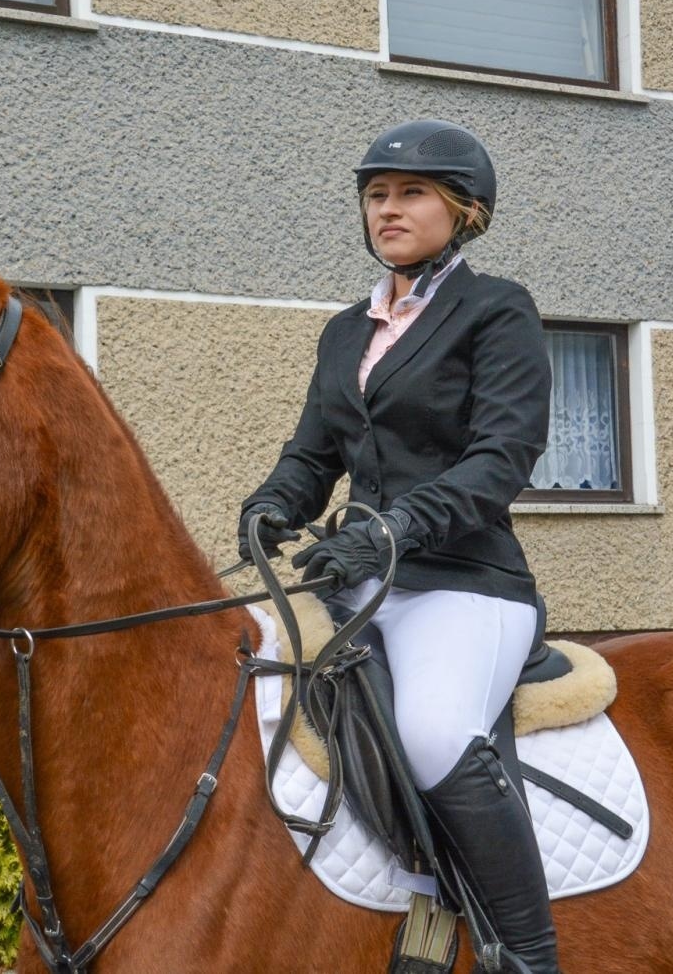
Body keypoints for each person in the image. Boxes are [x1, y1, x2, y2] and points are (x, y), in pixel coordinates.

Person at [237, 119, 558, 974]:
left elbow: (503, 456)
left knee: (429, 729)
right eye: (375, 195)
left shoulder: (498, 310)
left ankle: (526, 954)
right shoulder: (347, 331)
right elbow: (314, 453)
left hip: (465, 583)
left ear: (464, 210)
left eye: (410, 193)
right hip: (361, 582)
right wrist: (274, 505)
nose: (388, 209)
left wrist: (392, 530)